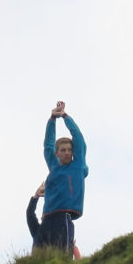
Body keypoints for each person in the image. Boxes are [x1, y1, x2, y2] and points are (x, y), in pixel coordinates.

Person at [42, 101, 88, 255]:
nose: (67, 153)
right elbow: (48, 145)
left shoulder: (78, 165)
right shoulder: (54, 166)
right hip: (47, 216)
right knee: (43, 255)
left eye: (69, 150)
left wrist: (65, 116)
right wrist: (52, 119)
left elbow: (78, 138)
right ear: (57, 153)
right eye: (63, 150)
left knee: (63, 254)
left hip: (64, 215)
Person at [27, 181, 82, 259]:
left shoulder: (63, 224)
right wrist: (36, 196)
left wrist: (74, 250)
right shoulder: (37, 230)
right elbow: (30, 214)